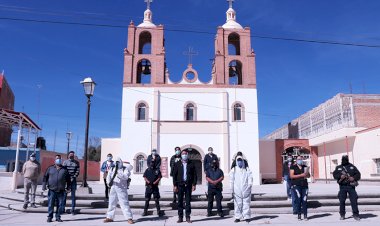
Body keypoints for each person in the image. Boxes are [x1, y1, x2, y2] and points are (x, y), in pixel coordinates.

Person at [104, 157, 134, 224]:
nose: (117, 163)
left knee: (124, 203)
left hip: (121, 188)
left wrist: (118, 173)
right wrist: (108, 183)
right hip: (113, 187)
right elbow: (108, 176)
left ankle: (129, 218)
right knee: (111, 203)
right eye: (116, 162)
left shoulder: (125, 169)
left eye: (118, 162)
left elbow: (126, 177)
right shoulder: (112, 168)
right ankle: (109, 217)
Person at [42, 155, 71, 223]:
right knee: (50, 204)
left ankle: (58, 217)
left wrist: (68, 187)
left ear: (61, 160)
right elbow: (45, 177)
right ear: (54, 160)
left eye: (59, 159)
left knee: (60, 205)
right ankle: (50, 217)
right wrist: (44, 185)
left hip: (61, 190)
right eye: (57, 159)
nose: (58, 160)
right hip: (52, 190)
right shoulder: (50, 168)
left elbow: (68, 180)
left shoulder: (65, 170)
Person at [333, 155, 361, 221]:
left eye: (345, 159)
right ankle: (342, 215)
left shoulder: (352, 167)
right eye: (343, 159)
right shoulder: (338, 167)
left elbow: (358, 174)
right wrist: (340, 176)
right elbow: (334, 175)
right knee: (342, 201)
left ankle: (356, 215)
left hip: (351, 187)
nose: (344, 160)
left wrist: (353, 178)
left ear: (347, 159)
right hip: (342, 187)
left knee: (354, 201)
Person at [172, 150, 197, 223]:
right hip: (180, 185)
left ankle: (188, 217)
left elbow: (195, 175)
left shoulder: (191, 164)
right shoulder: (177, 164)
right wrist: (175, 185)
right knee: (180, 202)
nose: (184, 155)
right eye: (183, 154)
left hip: (188, 185)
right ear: (181, 155)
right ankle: (180, 217)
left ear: (188, 155)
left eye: (185, 154)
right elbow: (174, 175)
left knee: (188, 202)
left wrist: (194, 184)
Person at [230, 156, 252, 223]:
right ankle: (237, 217)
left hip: (246, 189)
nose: (239, 162)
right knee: (237, 204)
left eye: (240, 160)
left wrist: (249, 185)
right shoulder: (234, 169)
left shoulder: (246, 169)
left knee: (246, 203)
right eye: (238, 160)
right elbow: (231, 180)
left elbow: (250, 178)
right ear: (236, 161)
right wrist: (232, 189)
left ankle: (247, 217)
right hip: (237, 190)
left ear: (243, 161)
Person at [290, 156, 310, 221]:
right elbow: (291, 176)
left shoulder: (305, 166)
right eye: (298, 159)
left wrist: (306, 174)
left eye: (301, 159)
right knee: (298, 200)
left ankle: (305, 215)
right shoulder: (293, 167)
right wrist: (301, 175)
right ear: (296, 160)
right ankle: (299, 215)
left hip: (304, 186)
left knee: (304, 200)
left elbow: (308, 175)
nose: (300, 160)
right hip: (296, 185)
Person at [62, 151, 80, 215]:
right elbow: (63, 171)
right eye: (70, 154)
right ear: (68, 155)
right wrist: (67, 178)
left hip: (73, 181)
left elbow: (77, 171)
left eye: (73, 155)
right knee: (64, 195)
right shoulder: (65, 162)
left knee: (73, 196)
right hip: (66, 181)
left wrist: (73, 177)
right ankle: (62, 208)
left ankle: (73, 209)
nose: (71, 156)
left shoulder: (77, 163)